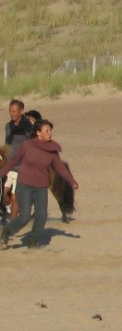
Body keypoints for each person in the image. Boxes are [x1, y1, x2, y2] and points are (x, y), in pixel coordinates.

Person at [0, 119, 79, 249]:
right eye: (47, 131)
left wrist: (72, 181)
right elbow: (13, 162)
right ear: (38, 132)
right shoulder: (27, 146)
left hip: (41, 187)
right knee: (24, 217)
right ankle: (6, 232)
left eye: (50, 131)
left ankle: (32, 241)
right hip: (24, 185)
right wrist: (2, 173)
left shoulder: (52, 150)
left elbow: (60, 168)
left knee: (41, 217)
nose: (50, 133)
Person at [3, 100, 35, 209]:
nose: (12, 114)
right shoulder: (8, 126)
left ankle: (14, 220)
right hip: (9, 165)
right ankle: (7, 211)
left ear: (21, 111)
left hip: (22, 167)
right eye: (10, 111)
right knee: (4, 194)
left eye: (14, 111)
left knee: (14, 197)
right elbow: (6, 145)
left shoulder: (28, 127)